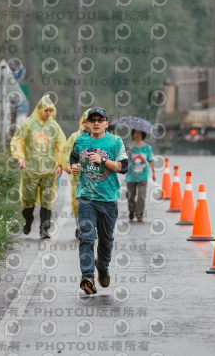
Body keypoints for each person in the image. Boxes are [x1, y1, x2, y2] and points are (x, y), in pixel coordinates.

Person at [70, 107, 128, 295]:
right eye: (92, 120)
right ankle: (87, 277)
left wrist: (103, 160)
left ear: (106, 123)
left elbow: (123, 167)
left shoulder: (115, 142)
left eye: (99, 120)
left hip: (108, 199)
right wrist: (75, 166)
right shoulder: (80, 141)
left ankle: (102, 266)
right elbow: (73, 157)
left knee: (106, 240)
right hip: (86, 198)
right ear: (86, 123)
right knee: (86, 236)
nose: (95, 123)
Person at [10, 94, 66, 239]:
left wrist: (60, 163)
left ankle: (44, 229)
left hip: (48, 170)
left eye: (50, 110)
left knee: (47, 198)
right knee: (28, 199)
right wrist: (20, 157)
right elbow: (18, 140)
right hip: (30, 169)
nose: (47, 113)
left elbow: (61, 145)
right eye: (45, 110)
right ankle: (28, 220)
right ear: (39, 109)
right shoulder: (29, 123)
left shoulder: (54, 127)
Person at [63, 109, 91, 239]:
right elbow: (66, 152)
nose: (88, 124)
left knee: (92, 203)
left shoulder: (100, 137)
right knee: (77, 202)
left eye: (90, 121)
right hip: (77, 177)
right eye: (86, 121)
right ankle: (80, 226)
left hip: (94, 178)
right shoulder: (75, 137)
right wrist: (67, 166)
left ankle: (90, 227)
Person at [126, 129, 156, 222]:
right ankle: (131, 211)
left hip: (143, 176)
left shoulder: (147, 147)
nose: (137, 135)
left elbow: (151, 160)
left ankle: (139, 215)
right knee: (131, 196)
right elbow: (123, 159)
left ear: (143, 135)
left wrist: (154, 173)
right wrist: (129, 151)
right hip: (131, 176)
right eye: (135, 133)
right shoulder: (129, 146)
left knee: (141, 196)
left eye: (139, 133)